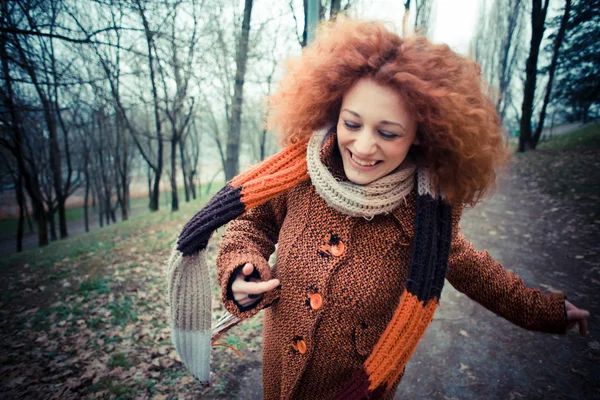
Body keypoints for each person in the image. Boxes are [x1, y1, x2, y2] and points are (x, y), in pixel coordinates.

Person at [167, 18, 590, 400]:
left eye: (388, 133)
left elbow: (477, 272)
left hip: (360, 390)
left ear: (420, 138)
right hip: (278, 379)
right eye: (352, 124)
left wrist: (545, 311)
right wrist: (242, 267)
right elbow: (251, 225)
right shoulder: (301, 176)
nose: (364, 147)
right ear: (333, 113)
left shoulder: (426, 218)